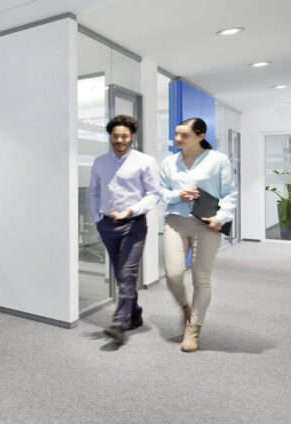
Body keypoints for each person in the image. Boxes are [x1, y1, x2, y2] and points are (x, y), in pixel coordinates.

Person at [159, 117, 237, 352]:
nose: (178, 138)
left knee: (201, 279)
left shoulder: (218, 160)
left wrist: (221, 217)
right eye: (177, 133)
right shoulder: (169, 162)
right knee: (173, 275)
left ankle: (193, 329)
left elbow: (230, 194)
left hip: (206, 225)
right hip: (175, 223)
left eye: (184, 135)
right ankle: (186, 309)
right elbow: (161, 191)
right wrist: (178, 195)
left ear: (200, 136)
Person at [88, 114, 161, 345]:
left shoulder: (145, 161)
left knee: (127, 273)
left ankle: (119, 323)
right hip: (107, 225)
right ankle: (135, 313)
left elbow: (154, 194)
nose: (119, 140)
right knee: (121, 274)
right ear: (110, 136)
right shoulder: (100, 162)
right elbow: (94, 191)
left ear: (132, 137)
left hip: (133, 225)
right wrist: (97, 218)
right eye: (115, 136)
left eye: (124, 136)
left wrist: (131, 211)